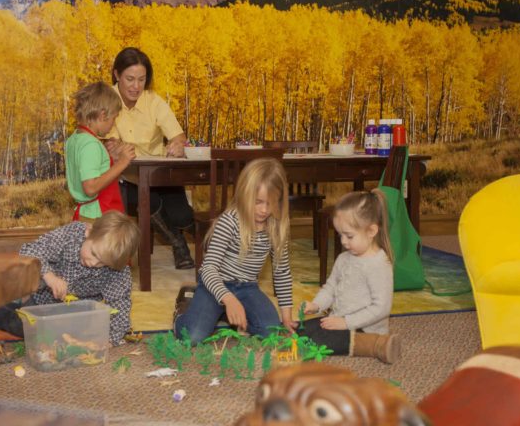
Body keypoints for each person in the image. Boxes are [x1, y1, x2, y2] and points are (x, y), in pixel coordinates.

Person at [173, 158, 296, 345]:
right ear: (244, 195)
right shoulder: (229, 221)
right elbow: (207, 269)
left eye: (270, 203)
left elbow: (282, 273)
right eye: (258, 202)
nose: (264, 210)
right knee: (193, 337)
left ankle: (232, 316)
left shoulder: (276, 226)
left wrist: (286, 318)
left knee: (271, 333)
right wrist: (229, 299)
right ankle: (184, 310)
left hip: (248, 287)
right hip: (214, 286)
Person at [0, 211, 140, 346]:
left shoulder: (117, 271)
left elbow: (120, 305)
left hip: (75, 314)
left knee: (59, 336)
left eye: (102, 264)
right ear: (88, 232)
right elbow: (31, 250)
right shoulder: (71, 235)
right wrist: (50, 277)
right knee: (23, 320)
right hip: (39, 300)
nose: (93, 263)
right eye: (93, 253)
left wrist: (110, 340)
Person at [105, 47, 195, 269]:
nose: (136, 86)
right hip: (127, 177)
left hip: (161, 173)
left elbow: (179, 136)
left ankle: (188, 236)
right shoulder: (106, 100)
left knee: (182, 215)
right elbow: (110, 145)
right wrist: (115, 149)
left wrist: (177, 144)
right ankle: (178, 244)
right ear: (117, 75)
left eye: (142, 80)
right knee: (150, 201)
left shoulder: (154, 101)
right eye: (130, 79)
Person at [299, 189, 400, 363]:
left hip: (365, 328)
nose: (343, 242)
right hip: (340, 319)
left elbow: (381, 308)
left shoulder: (378, 264)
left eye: (349, 236)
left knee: (316, 342)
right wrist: (316, 305)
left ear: (371, 231)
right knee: (301, 331)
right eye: (340, 235)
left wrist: (346, 322)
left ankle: (377, 344)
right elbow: (330, 288)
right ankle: (349, 338)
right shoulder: (343, 258)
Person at [65, 81, 136, 222]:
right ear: (103, 116)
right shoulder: (90, 144)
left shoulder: (76, 139)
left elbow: (92, 169)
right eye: (114, 118)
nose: (113, 124)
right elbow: (91, 187)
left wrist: (111, 158)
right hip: (98, 217)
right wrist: (121, 163)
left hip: (89, 214)